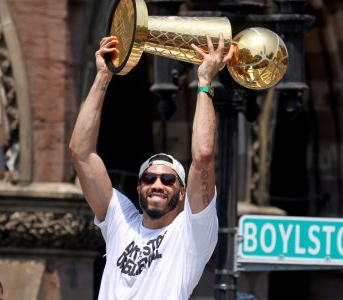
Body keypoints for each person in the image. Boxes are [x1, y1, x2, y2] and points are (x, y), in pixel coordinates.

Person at [69, 32, 233, 299]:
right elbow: (81, 153)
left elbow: (202, 157)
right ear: (139, 187)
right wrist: (103, 75)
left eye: (168, 180)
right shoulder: (121, 221)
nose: (157, 184)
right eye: (150, 178)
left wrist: (204, 82)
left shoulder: (191, 234)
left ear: (182, 193)